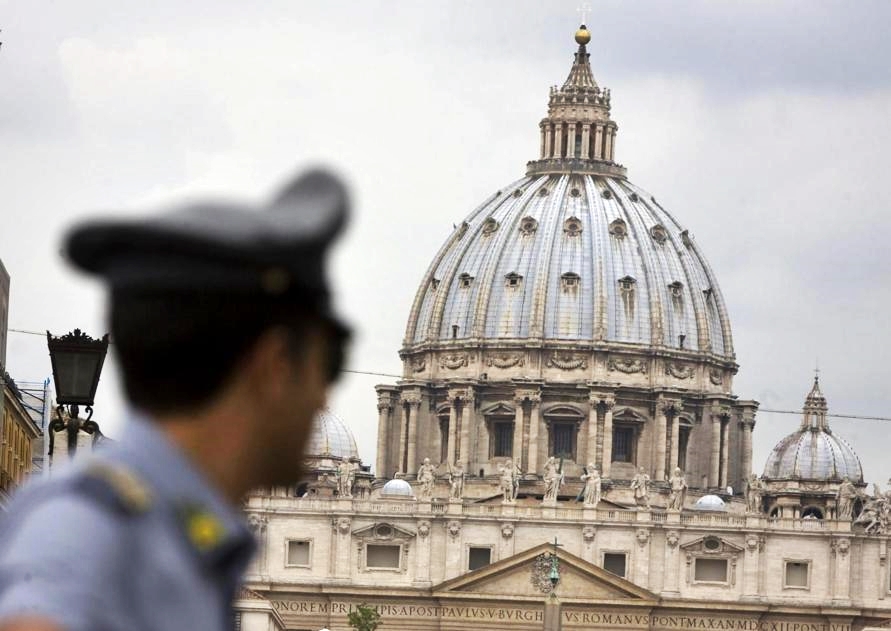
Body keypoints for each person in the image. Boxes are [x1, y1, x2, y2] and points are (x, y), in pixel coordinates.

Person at [0, 169, 352, 631]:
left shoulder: (176, 531)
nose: (324, 395)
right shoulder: (99, 528)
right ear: (271, 366)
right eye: (324, 365)